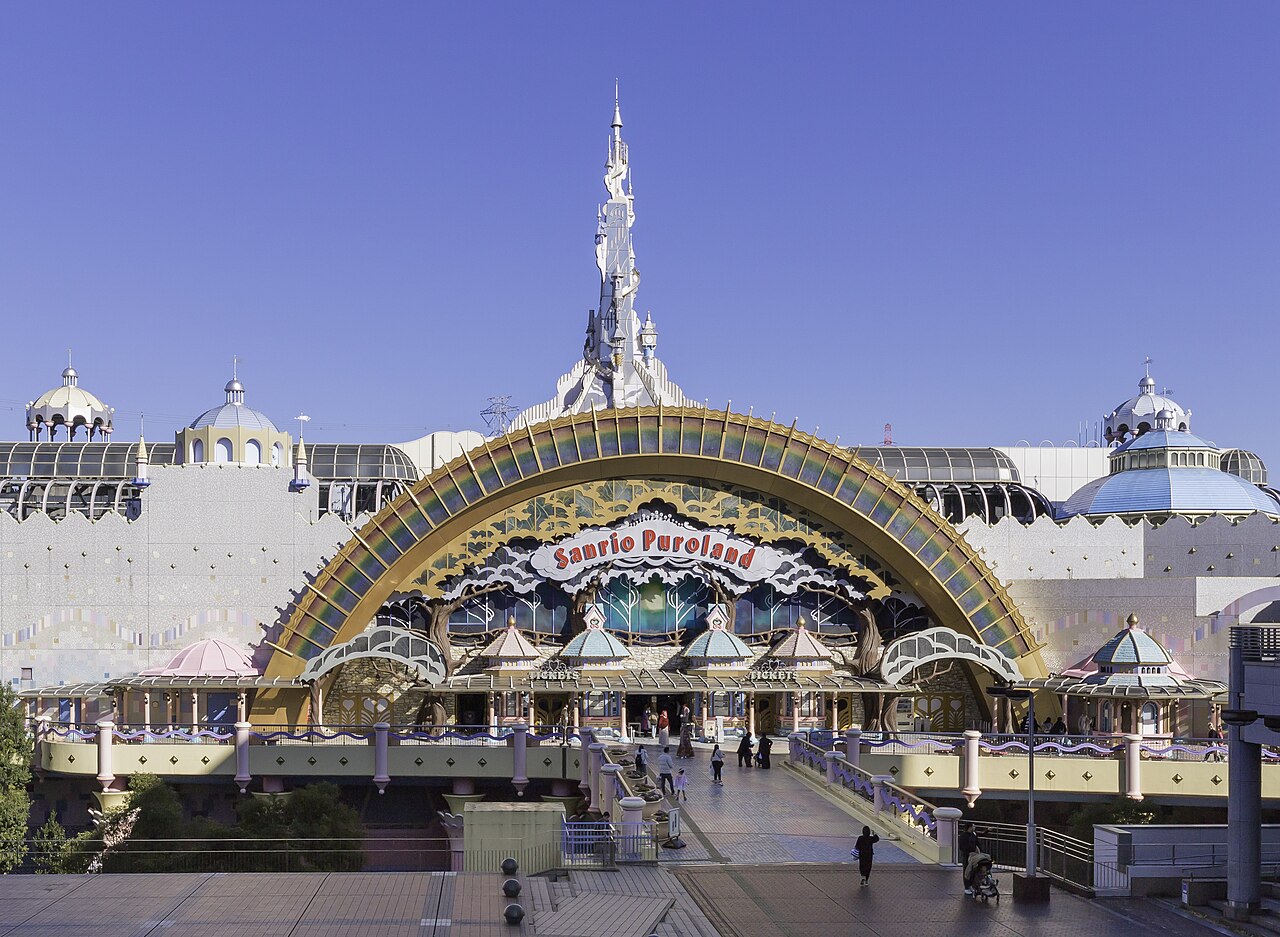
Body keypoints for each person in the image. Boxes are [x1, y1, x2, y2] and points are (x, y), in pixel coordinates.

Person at [958, 823, 981, 895]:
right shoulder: (963, 836)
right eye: (973, 826)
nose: (975, 827)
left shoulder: (973, 835)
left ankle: (971, 885)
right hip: (966, 855)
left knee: (973, 870)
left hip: (973, 855)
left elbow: (977, 843)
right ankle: (966, 887)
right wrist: (968, 852)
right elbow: (961, 847)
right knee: (967, 871)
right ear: (970, 827)